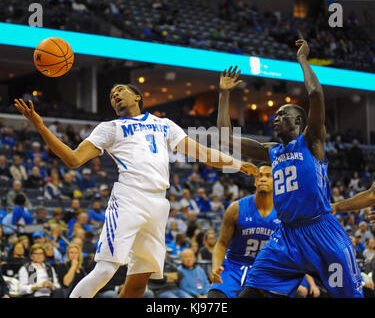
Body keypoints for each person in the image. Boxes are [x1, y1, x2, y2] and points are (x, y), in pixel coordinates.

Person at [13, 83, 257, 298]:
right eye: (111, 95)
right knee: (106, 269)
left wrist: (236, 164)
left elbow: (202, 152)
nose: (115, 95)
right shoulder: (110, 128)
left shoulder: (164, 124)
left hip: (159, 203)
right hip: (129, 198)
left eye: (120, 90)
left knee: (141, 279)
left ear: (137, 97)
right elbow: (74, 159)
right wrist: (41, 127)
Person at [217, 40, 363, 298]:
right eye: (275, 115)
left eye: (282, 114)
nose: (275, 118)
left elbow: (316, 94)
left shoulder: (312, 140)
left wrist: (303, 60)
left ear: (298, 121)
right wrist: (224, 94)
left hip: (321, 231)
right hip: (285, 237)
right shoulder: (271, 151)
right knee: (251, 292)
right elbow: (225, 138)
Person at [208, 163, 279, 297]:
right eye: (259, 176)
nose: (263, 179)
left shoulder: (284, 212)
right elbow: (222, 243)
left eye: (268, 176)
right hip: (234, 266)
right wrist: (215, 267)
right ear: (255, 181)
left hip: (265, 270)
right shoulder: (236, 208)